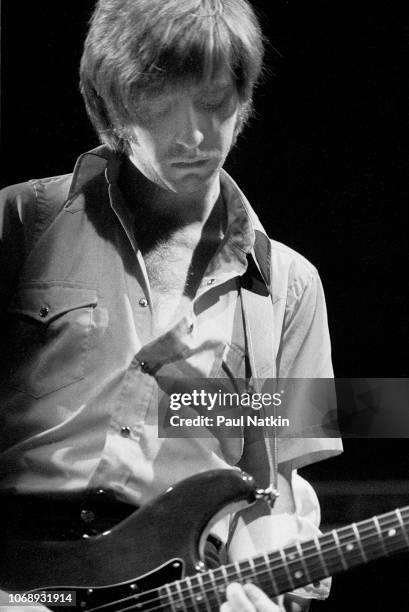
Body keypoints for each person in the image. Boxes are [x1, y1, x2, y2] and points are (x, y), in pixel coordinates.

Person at [0, 0, 342, 610]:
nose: (196, 136)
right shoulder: (18, 224)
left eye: (215, 104)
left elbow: (274, 492)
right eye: (161, 104)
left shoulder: (290, 287)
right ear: (110, 106)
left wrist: (265, 575)